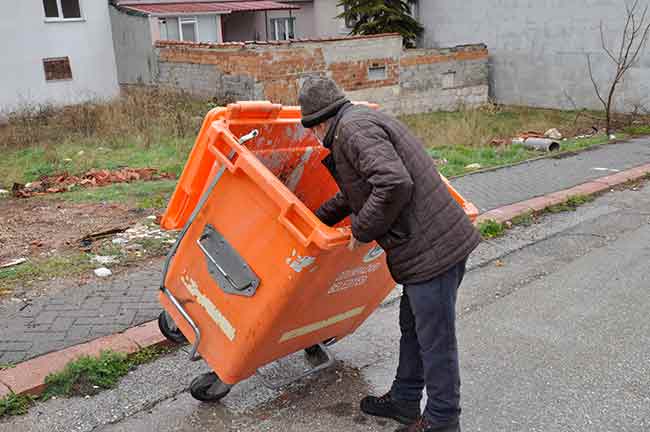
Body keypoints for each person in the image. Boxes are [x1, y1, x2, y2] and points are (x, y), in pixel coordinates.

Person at [298, 77, 480, 432]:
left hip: (433, 250)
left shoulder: (352, 131)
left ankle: (443, 420)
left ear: (319, 122)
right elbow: (358, 193)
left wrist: (360, 231)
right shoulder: (358, 121)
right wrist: (314, 220)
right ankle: (405, 400)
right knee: (413, 327)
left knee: (435, 340)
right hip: (426, 248)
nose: (313, 138)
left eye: (311, 131)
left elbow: (394, 182)